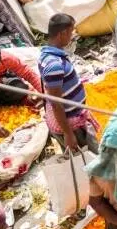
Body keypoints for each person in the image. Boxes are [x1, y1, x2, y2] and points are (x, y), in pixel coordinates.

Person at [40, 12, 97, 150]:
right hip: (71, 124)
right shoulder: (54, 65)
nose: (72, 36)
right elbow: (56, 104)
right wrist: (68, 134)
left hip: (74, 117)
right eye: (71, 32)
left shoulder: (50, 54)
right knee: (88, 157)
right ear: (63, 33)